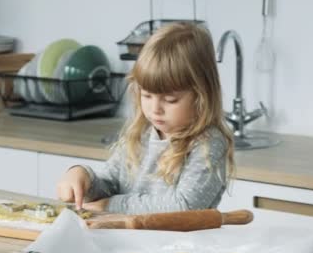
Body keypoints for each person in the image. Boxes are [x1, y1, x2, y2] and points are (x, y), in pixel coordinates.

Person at [56, 23, 234, 214]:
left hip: (179, 244)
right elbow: (110, 184)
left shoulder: (209, 143)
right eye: (147, 95)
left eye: (170, 100)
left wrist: (110, 205)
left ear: (201, 96)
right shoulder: (141, 133)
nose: (155, 109)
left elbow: (184, 206)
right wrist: (84, 178)